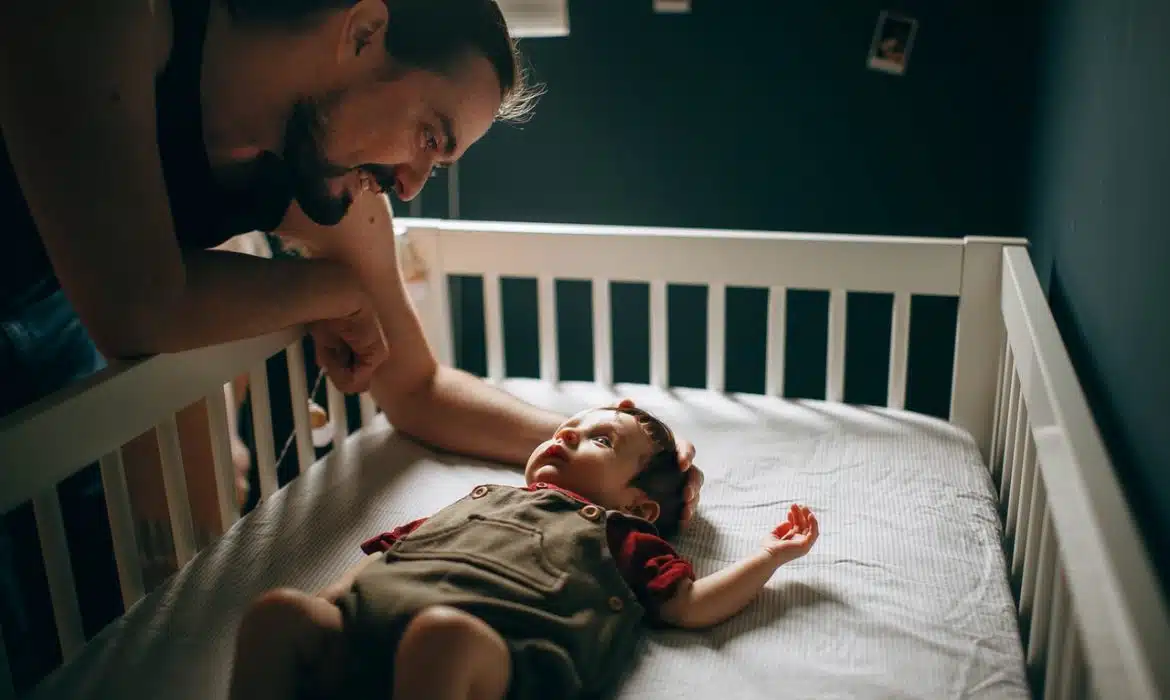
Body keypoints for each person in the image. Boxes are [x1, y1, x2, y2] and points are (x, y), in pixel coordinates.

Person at [0, 0, 706, 689]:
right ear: (364, 31)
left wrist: (613, 459)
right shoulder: (107, 19)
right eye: (430, 135)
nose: (410, 184)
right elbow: (139, 305)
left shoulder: (321, 174)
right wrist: (332, 292)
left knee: (73, 594)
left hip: (46, 302)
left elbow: (417, 387)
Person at [226, 402, 818, 700]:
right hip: (368, 629)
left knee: (440, 639)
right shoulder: (480, 500)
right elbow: (395, 552)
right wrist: (338, 600)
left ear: (640, 506)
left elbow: (689, 604)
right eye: (567, 428)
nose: (565, 436)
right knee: (278, 613)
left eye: (600, 440)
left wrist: (769, 557)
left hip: (491, 656)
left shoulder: (619, 533)